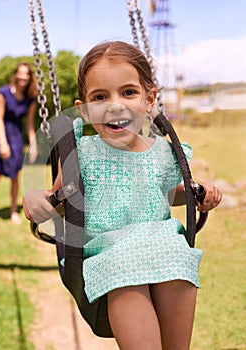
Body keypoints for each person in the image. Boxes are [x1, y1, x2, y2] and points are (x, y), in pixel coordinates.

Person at [23, 41, 222, 349]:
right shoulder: (80, 149)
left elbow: (170, 194)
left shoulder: (163, 152)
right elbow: (61, 199)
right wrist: (37, 202)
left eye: (128, 92)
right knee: (126, 268)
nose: (115, 104)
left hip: (162, 242)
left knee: (178, 260)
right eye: (100, 97)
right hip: (111, 249)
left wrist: (198, 194)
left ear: (149, 99)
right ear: (85, 109)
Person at [0, 62, 38, 225]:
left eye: (26, 74)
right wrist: (3, 143)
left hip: (16, 136)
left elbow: (29, 124)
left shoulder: (30, 99)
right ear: (15, 74)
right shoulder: (3, 93)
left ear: (29, 77)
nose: (23, 77)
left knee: (14, 175)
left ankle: (14, 210)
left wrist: (33, 145)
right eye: (20, 73)